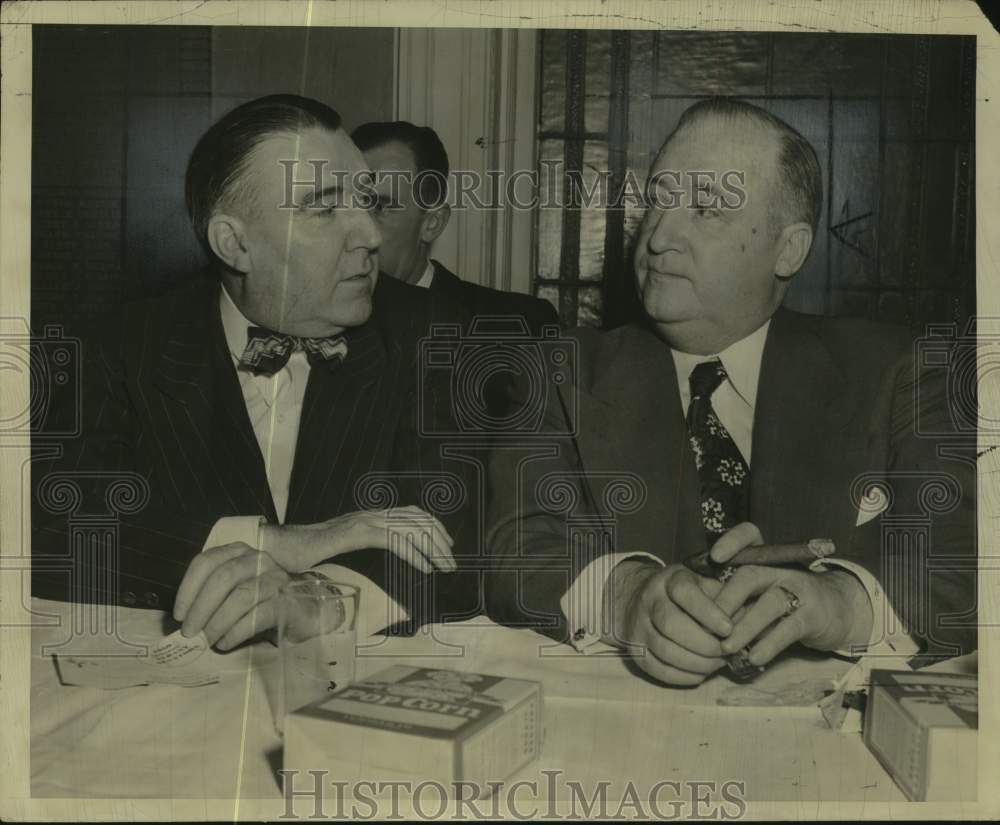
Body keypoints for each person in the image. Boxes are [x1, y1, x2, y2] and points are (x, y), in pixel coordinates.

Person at [485, 98, 976, 685]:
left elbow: (963, 561)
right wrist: (628, 597)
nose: (661, 237)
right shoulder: (558, 373)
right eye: (658, 201)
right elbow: (512, 552)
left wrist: (840, 605)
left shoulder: (903, 370)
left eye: (708, 208)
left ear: (788, 249)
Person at [32, 94, 475, 649]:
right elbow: (50, 532)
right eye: (324, 208)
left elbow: (456, 539)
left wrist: (313, 601)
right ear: (235, 243)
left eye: (365, 201)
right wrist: (279, 542)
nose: (371, 234)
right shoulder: (120, 347)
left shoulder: (439, 335)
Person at [350, 120, 560, 332]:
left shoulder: (518, 324)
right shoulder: (322, 323)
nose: (355, 230)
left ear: (432, 223)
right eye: (346, 207)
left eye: (379, 207)